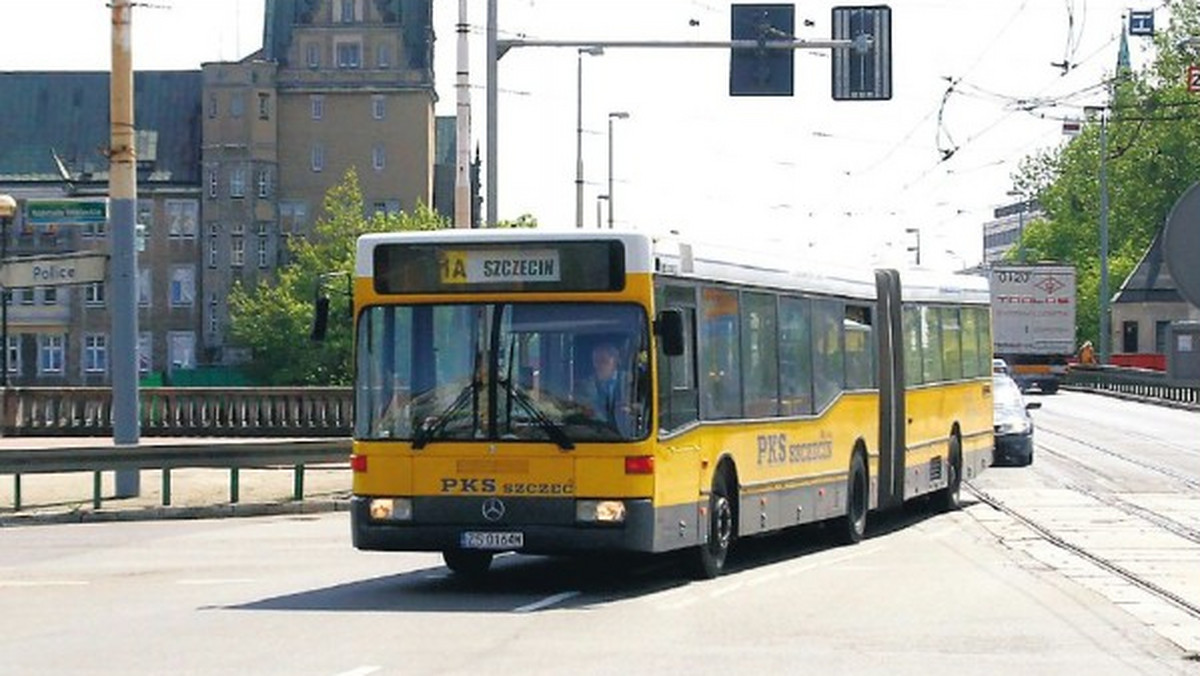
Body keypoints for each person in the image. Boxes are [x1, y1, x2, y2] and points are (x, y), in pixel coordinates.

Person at [578, 342, 629, 431]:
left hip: (628, 433)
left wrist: (631, 408)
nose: (599, 365)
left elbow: (645, 405)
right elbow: (579, 408)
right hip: (595, 434)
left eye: (604, 361)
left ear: (615, 361)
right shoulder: (584, 386)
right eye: (596, 361)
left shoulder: (631, 380)